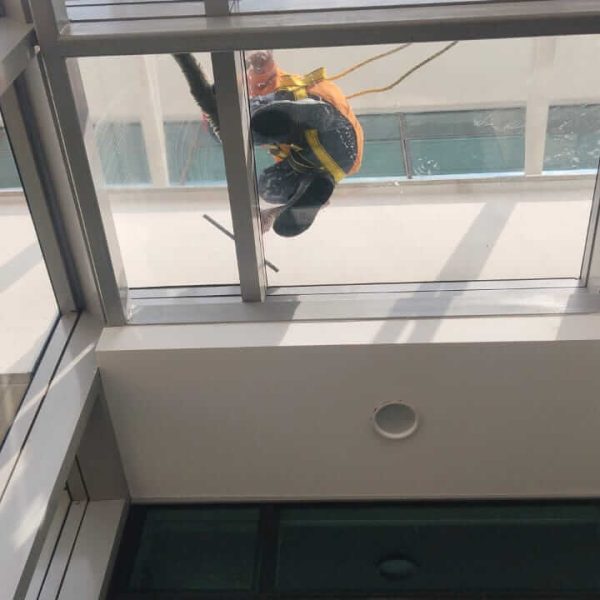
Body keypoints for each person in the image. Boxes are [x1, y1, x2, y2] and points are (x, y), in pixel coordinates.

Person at [174, 51, 364, 237]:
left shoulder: (252, 96)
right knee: (268, 186)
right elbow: (320, 199)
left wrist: (255, 64)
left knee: (256, 116)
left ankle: (306, 114)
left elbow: (264, 70)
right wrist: (274, 214)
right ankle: (308, 177)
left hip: (333, 129)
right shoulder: (255, 120)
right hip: (334, 160)